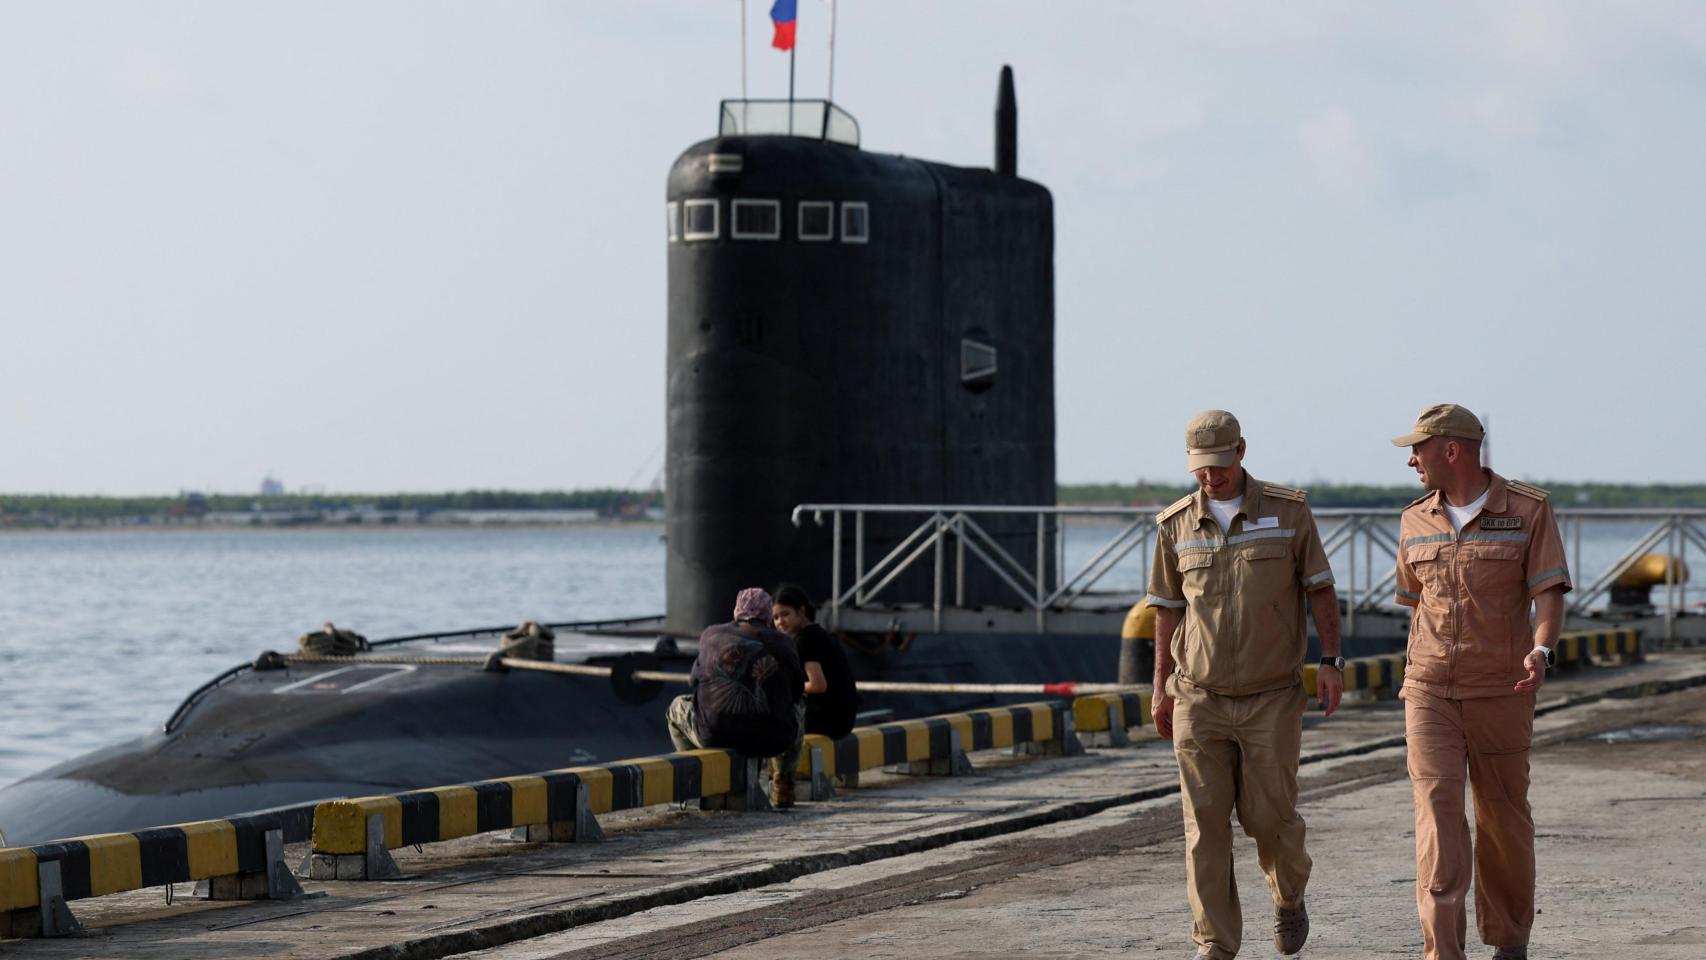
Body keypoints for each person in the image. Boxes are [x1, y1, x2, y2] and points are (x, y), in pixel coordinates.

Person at [1146, 409, 1343, 960]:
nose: (1210, 477)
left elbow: (1321, 591)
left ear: (1241, 451)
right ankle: (1215, 943)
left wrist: (1331, 660)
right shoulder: (1175, 525)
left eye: (1218, 465)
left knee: (1269, 817)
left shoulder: (1288, 513)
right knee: (1204, 826)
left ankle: (1288, 896)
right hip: (1198, 697)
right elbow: (1165, 610)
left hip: (1272, 697)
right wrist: (1159, 685)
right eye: (1200, 468)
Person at [1391, 404, 1570, 960]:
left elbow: (1548, 594)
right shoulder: (1413, 519)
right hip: (1428, 691)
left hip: (1502, 689)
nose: (1411, 460)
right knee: (1438, 815)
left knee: (1502, 818)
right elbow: (1414, 600)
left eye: (1418, 449)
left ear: (1452, 449)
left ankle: (1510, 940)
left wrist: (1541, 650)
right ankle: (1444, 952)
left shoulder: (1527, 510)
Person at [665, 588, 806, 794]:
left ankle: (695, 784)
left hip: (715, 735)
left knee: (676, 707)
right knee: (798, 706)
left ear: (737, 611)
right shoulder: (784, 641)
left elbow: (693, 682)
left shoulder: (711, 635)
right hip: (773, 739)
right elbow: (796, 690)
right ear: (768, 614)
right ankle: (783, 787)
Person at [769, 585, 861, 805]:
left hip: (827, 720)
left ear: (801, 611)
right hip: (843, 718)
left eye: (785, 614)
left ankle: (780, 784)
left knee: (775, 720)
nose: (780, 622)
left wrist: (787, 688)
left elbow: (818, 685)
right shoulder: (821, 634)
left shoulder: (804, 640)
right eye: (775, 617)